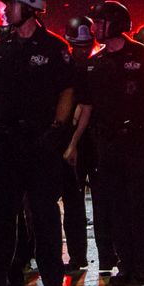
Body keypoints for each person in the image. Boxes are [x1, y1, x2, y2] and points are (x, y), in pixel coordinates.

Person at [0, 0, 74, 286]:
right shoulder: (1, 49)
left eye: (10, 4)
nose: (4, 10)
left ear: (29, 7)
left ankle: (52, 285)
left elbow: (67, 90)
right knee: (0, 215)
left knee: (43, 216)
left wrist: (57, 128)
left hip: (40, 143)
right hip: (6, 142)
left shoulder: (55, 48)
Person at [65, 0, 144, 286]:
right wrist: (74, 142)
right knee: (116, 209)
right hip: (107, 144)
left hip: (138, 141)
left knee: (139, 208)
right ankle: (125, 265)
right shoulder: (95, 63)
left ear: (116, 23)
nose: (95, 28)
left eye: (100, 22)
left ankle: (142, 267)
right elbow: (86, 107)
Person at [61, 15, 96, 271]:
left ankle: (108, 254)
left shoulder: (98, 66)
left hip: (94, 140)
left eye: (86, 46)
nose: (83, 51)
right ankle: (77, 255)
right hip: (70, 140)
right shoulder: (64, 69)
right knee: (72, 201)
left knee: (104, 202)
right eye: (78, 47)